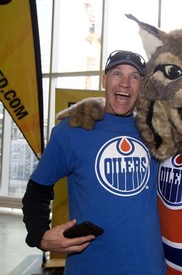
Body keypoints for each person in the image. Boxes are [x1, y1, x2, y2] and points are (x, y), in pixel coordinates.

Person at [22, 50, 166, 275]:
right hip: (90, 266)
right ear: (104, 80)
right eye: (117, 73)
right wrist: (38, 235)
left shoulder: (156, 131)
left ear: (142, 86)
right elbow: (37, 190)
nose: (125, 83)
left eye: (135, 76)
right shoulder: (72, 130)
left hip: (147, 266)